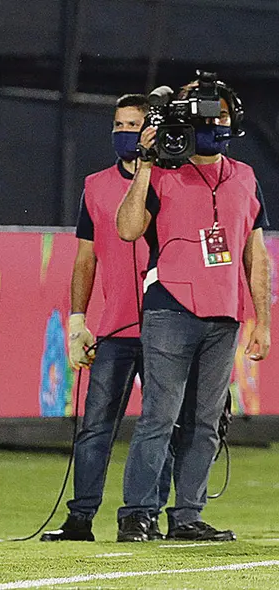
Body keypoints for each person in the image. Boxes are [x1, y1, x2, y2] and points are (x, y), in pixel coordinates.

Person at [115, 77, 270, 542]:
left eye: (220, 113)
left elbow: (256, 254)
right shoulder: (163, 172)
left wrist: (263, 320)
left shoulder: (245, 177)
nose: (212, 122)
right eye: (204, 112)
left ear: (233, 119)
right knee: (159, 418)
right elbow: (127, 229)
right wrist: (145, 163)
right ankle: (137, 514)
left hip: (225, 313)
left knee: (206, 423)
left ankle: (186, 516)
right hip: (171, 307)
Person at [42, 95, 174, 542]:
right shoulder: (95, 186)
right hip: (115, 328)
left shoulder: (172, 181)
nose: (124, 132)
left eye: (134, 124)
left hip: (167, 327)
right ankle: (79, 519)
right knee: (94, 427)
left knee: (161, 426)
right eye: (119, 124)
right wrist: (77, 321)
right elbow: (85, 258)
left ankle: (145, 515)